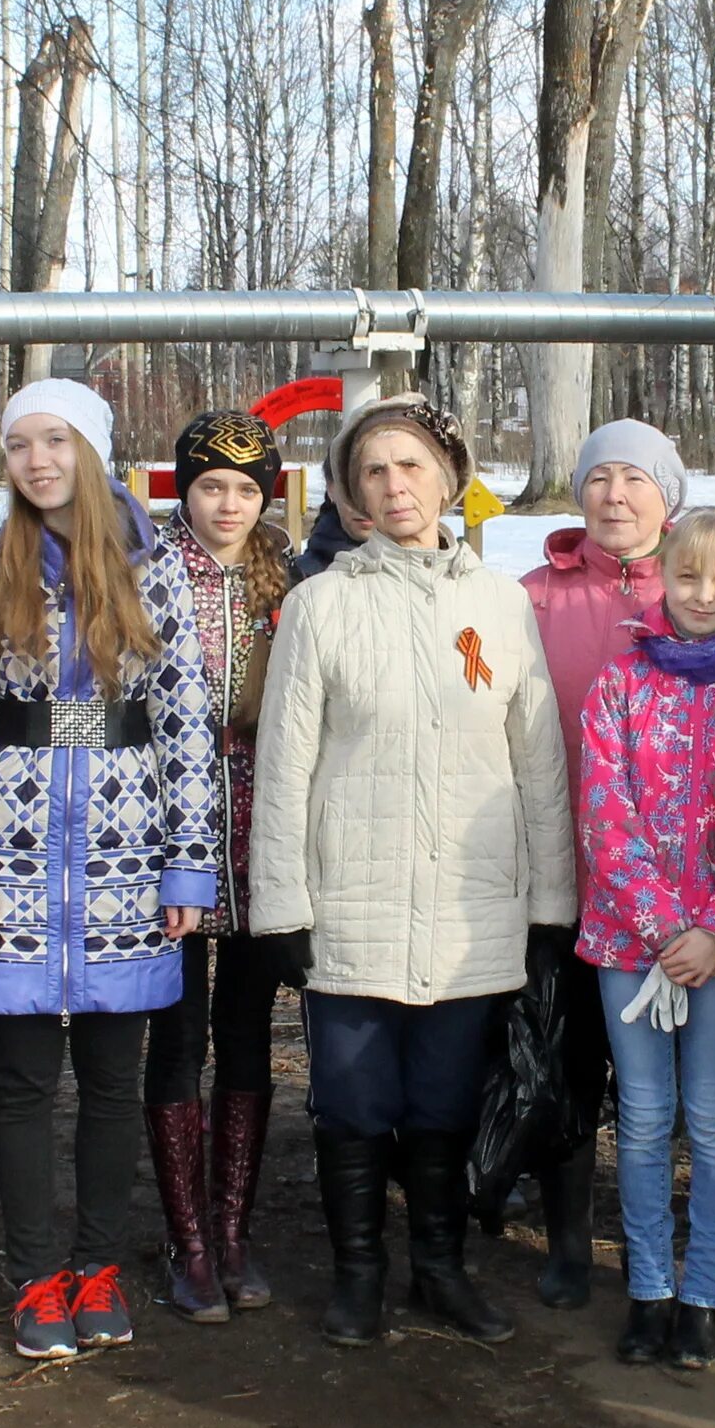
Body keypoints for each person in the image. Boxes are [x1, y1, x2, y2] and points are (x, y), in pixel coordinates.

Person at [250, 393, 573, 1348]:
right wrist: (281, 908)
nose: (395, 486)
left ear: (449, 480)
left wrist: (552, 901)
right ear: (350, 495)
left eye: (412, 466)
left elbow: (539, 764)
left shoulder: (500, 604)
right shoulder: (319, 605)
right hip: (352, 899)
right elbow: (284, 767)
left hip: (473, 908)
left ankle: (439, 1265)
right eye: (373, 472)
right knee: (354, 1100)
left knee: (441, 1099)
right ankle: (360, 1271)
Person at [0, 379, 217, 1363]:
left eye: (56, 440)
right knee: (20, 1080)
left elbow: (183, 723)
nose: (38, 460)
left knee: (108, 1074)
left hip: (126, 855)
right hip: (14, 853)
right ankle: (36, 1270)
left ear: (92, 450)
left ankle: (98, 1263)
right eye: (18, 445)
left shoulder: (156, 567)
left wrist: (190, 865)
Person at [576, 508, 715, 1370]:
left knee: (714, 1115)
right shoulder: (620, 681)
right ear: (664, 575)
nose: (702, 596)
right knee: (647, 1114)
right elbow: (604, 812)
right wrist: (664, 929)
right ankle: (649, 1285)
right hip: (633, 943)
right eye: (687, 576)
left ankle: (706, 1294)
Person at [521, 417, 686, 1310]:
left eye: (635, 478)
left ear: (669, 495)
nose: (615, 495)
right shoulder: (534, 596)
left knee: (668, 1081)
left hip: (678, 896)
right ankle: (569, 1237)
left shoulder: (700, 592)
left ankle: (661, 1237)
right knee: (571, 1062)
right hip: (567, 879)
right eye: (599, 478)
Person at [142, 410, 292, 1322]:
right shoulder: (151, 570)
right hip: (170, 831)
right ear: (183, 490)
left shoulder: (287, 574)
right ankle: (185, 1236)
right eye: (210, 487)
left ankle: (232, 1228)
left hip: (262, 832)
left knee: (245, 1031)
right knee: (176, 1031)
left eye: (245, 489)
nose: (228, 505)